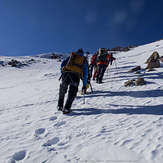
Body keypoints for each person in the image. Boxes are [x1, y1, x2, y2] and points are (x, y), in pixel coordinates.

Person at [57, 48, 88, 114]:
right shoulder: (84, 60)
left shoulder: (72, 56)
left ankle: (60, 106)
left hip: (66, 74)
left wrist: (62, 72)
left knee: (62, 90)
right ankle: (66, 108)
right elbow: (85, 74)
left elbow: (63, 64)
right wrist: (84, 85)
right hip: (75, 76)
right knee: (72, 93)